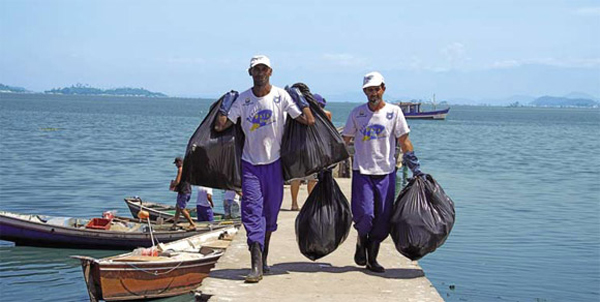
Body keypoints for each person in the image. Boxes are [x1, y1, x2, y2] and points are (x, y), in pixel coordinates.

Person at [214, 55, 316, 283]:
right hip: (250, 166)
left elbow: (308, 121)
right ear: (250, 73)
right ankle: (255, 266)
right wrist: (225, 105)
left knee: (269, 216)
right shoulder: (243, 100)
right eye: (255, 70)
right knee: (252, 214)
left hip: (275, 165)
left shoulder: (281, 96)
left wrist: (300, 99)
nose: (259, 73)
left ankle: (264, 257)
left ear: (270, 72)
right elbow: (221, 126)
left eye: (263, 69)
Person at [342, 71, 423, 273]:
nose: (373, 93)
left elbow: (404, 140)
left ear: (383, 89)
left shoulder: (394, 113)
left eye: (376, 89)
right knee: (365, 214)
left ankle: (372, 258)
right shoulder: (357, 113)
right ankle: (361, 241)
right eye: (369, 90)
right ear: (364, 92)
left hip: (386, 172)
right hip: (362, 171)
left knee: (382, 218)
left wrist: (415, 167)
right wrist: (327, 160)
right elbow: (345, 140)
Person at [289, 93, 332, 211]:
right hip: (312, 149)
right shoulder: (325, 115)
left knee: (298, 178)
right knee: (311, 178)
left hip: (299, 148)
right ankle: (308, 202)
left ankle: (294, 203)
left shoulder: (299, 114)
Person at [169, 157, 197, 231]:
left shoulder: (180, 169)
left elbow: (177, 181)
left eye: (176, 163)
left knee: (181, 208)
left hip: (184, 191)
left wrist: (173, 185)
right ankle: (175, 224)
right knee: (178, 207)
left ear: (180, 162)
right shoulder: (187, 169)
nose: (176, 165)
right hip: (186, 190)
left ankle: (192, 223)